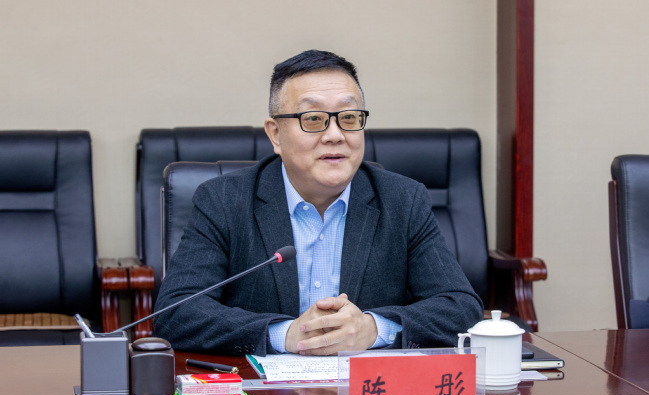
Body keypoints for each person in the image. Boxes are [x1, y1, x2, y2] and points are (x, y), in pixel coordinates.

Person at [153, 50, 483, 356]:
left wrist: (372, 329)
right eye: (313, 119)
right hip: (263, 393)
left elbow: (461, 307)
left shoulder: (402, 200)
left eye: (349, 117)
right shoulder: (224, 201)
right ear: (275, 134)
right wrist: (285, 335)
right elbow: (176, 312)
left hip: (367, 392)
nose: (335, 135)